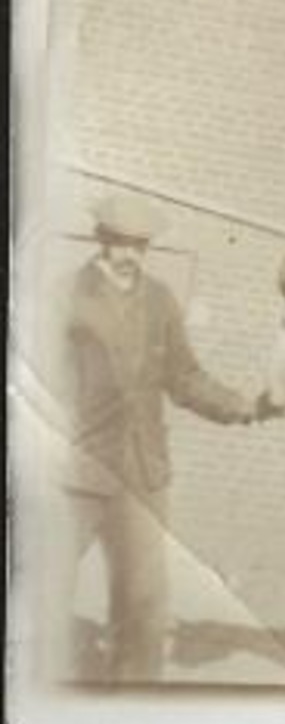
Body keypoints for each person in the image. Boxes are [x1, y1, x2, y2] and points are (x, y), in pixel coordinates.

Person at [46, 194, 260, 682]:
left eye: (140, 245)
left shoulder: (160, 299)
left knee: (144, 600)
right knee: (45, 585)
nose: (131, 256)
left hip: (143, 473)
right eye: (121, 244)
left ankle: (132, 702)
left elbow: (184, 376)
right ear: (102, 241)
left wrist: (242, 406)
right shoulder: (66, 297)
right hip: (75, 471)